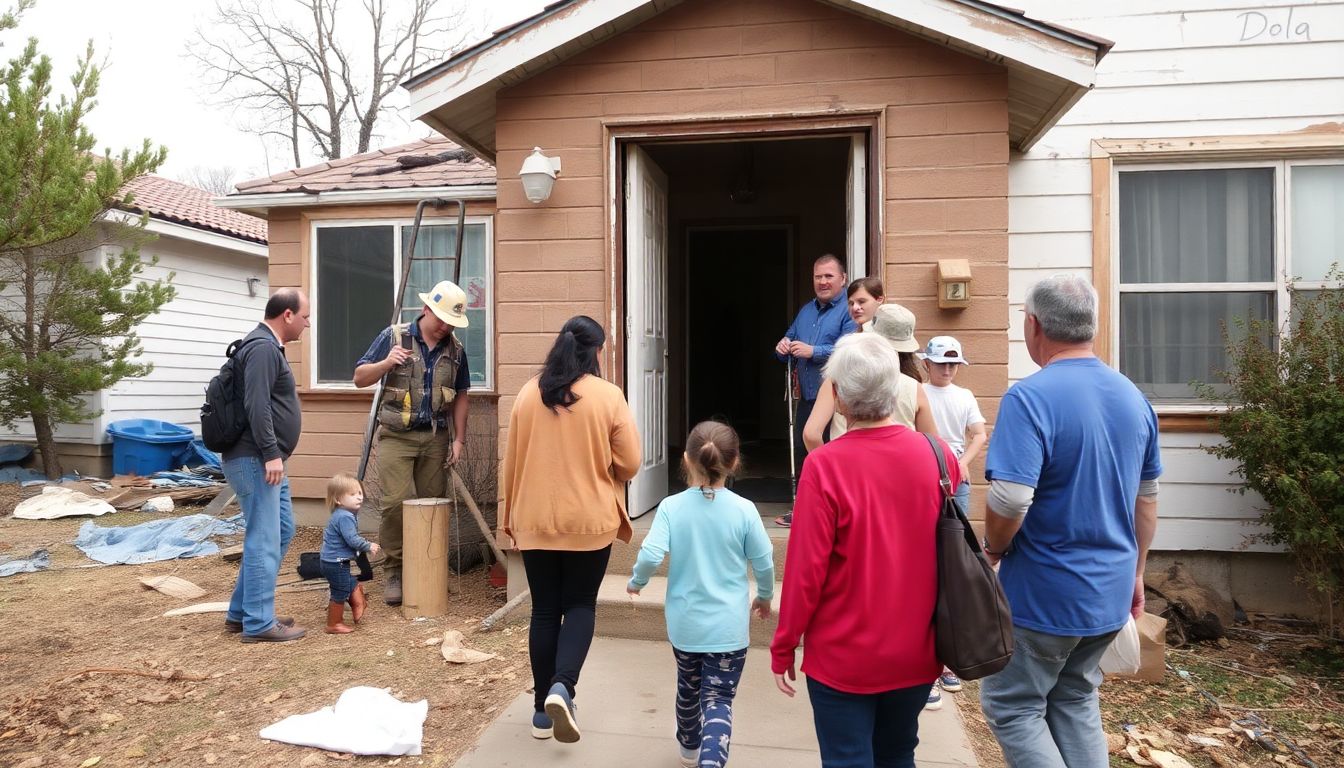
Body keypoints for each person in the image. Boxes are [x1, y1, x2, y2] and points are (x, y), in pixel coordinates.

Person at [979, 274, 1161, 768]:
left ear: (1034, 326)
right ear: (1092, 328)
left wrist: (993, 550)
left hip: (1045, 595)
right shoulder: (1133, 398)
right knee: (1075, 698)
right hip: (1109, 592)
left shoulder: (1030, 397)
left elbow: (1012, 498)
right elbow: (1147, 499)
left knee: (1013, 706)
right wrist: (1138, 573)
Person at [771, 332, 959, 768]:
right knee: (898, 755)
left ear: (837, 396)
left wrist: (785, 644)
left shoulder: (824, 466)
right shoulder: (937, 456)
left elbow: (805, 573)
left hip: (843, 656)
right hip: (917, 649)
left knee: (846, 758)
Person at [501, 315, 642, 745]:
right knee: (580, 605)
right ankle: (564, 686)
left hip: (536, 520)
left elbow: (511, 462)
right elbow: (631, 463)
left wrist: (508, 519)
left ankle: (542, 711)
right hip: (589, 522)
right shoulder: (607, 396)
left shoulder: (529, 393)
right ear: (595, 350)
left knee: (544, 611)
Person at [627, 421, 774, 768]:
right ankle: (712, 759)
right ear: (734, 462)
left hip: (686, 625)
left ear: (687, 461)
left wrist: (637, 582)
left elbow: (650, 554)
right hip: (728, 630)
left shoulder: (671, 507)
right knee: (719, 698)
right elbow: (764, 560)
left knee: (688, 688)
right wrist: (765, 595)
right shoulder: (744, 510)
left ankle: (690, 749)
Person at [353, 280, 471, 606]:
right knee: (395, 503)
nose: (445, 327)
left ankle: (428, 569)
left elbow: (461, 396)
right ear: (426, 310)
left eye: (451, 322)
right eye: (441, 319)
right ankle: (395, 570)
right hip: (396, 436)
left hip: (435, 437)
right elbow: (360, 377)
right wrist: (386, 363)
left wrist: (459, 440)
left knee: (433, 506)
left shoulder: (456, 350)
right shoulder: (394, 337)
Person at [222, 288, 310, 643]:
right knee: (263, 538)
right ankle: (259, 622)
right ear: (287, 315)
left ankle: (241, 612)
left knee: (282, 530)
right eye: (305, 316)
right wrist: (272, 452)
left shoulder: (266, 346)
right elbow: (256, 404)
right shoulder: (261, 348)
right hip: (257, 459)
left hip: (266, 460)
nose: (307, 323)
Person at [918, 334, 988, 709]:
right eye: (941, 363)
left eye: (953, 363)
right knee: (924, 570)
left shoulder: (965, 396)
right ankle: (924, 668)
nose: (947, 369)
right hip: (922, 479)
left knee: (954, 569)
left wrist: (962, 463)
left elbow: (979, 434)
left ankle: (945, 662)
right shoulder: (917, 392)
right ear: (926, 362)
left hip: (955, 484)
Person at [800, 303, 936, 453]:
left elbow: (811, 434)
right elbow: (933, 444)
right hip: (899, 467)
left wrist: (827, 466)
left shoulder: (839, 378)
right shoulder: (914, 386)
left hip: (848, 464)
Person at [773, 254, 856, 468]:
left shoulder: (850, 308)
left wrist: (814, 351)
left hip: (839, 402)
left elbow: (851, 350)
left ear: (843, 278)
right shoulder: (806, 311)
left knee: (833, 458)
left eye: (829, 276)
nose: (822, 282)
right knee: (803, 456)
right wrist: (782, 346)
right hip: (807, 399)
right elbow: (788, 340)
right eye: (818, 276)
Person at [320, 473, 382, 634]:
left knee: (348, 581)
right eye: (353, 494)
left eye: (360, 493)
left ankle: (358, 602)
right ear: (339, 500)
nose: (359, 497)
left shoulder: (345, 514)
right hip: (336, 562)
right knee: (339, 592)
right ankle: (334, 623)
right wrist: (368, 545)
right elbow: (352, 539)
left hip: (334, 561)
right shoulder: (345, 517)